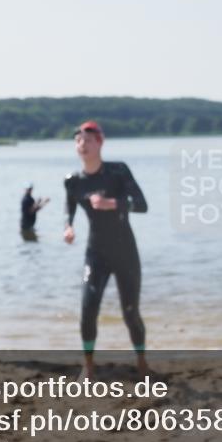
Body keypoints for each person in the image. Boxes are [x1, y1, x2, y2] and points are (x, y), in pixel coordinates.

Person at [63, 121, 148, 380]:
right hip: (96, 252)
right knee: (88, 309)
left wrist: (113, 203)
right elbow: (70, 208)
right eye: (79, 140)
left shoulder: (118, 171)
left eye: (88, 140)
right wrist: (68, 226)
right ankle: (88, 365)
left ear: (100, 143)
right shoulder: (73, 182)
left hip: (125, 252)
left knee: (130, 312)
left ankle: (142, 361)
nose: (83, 145)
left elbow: (142, 205)